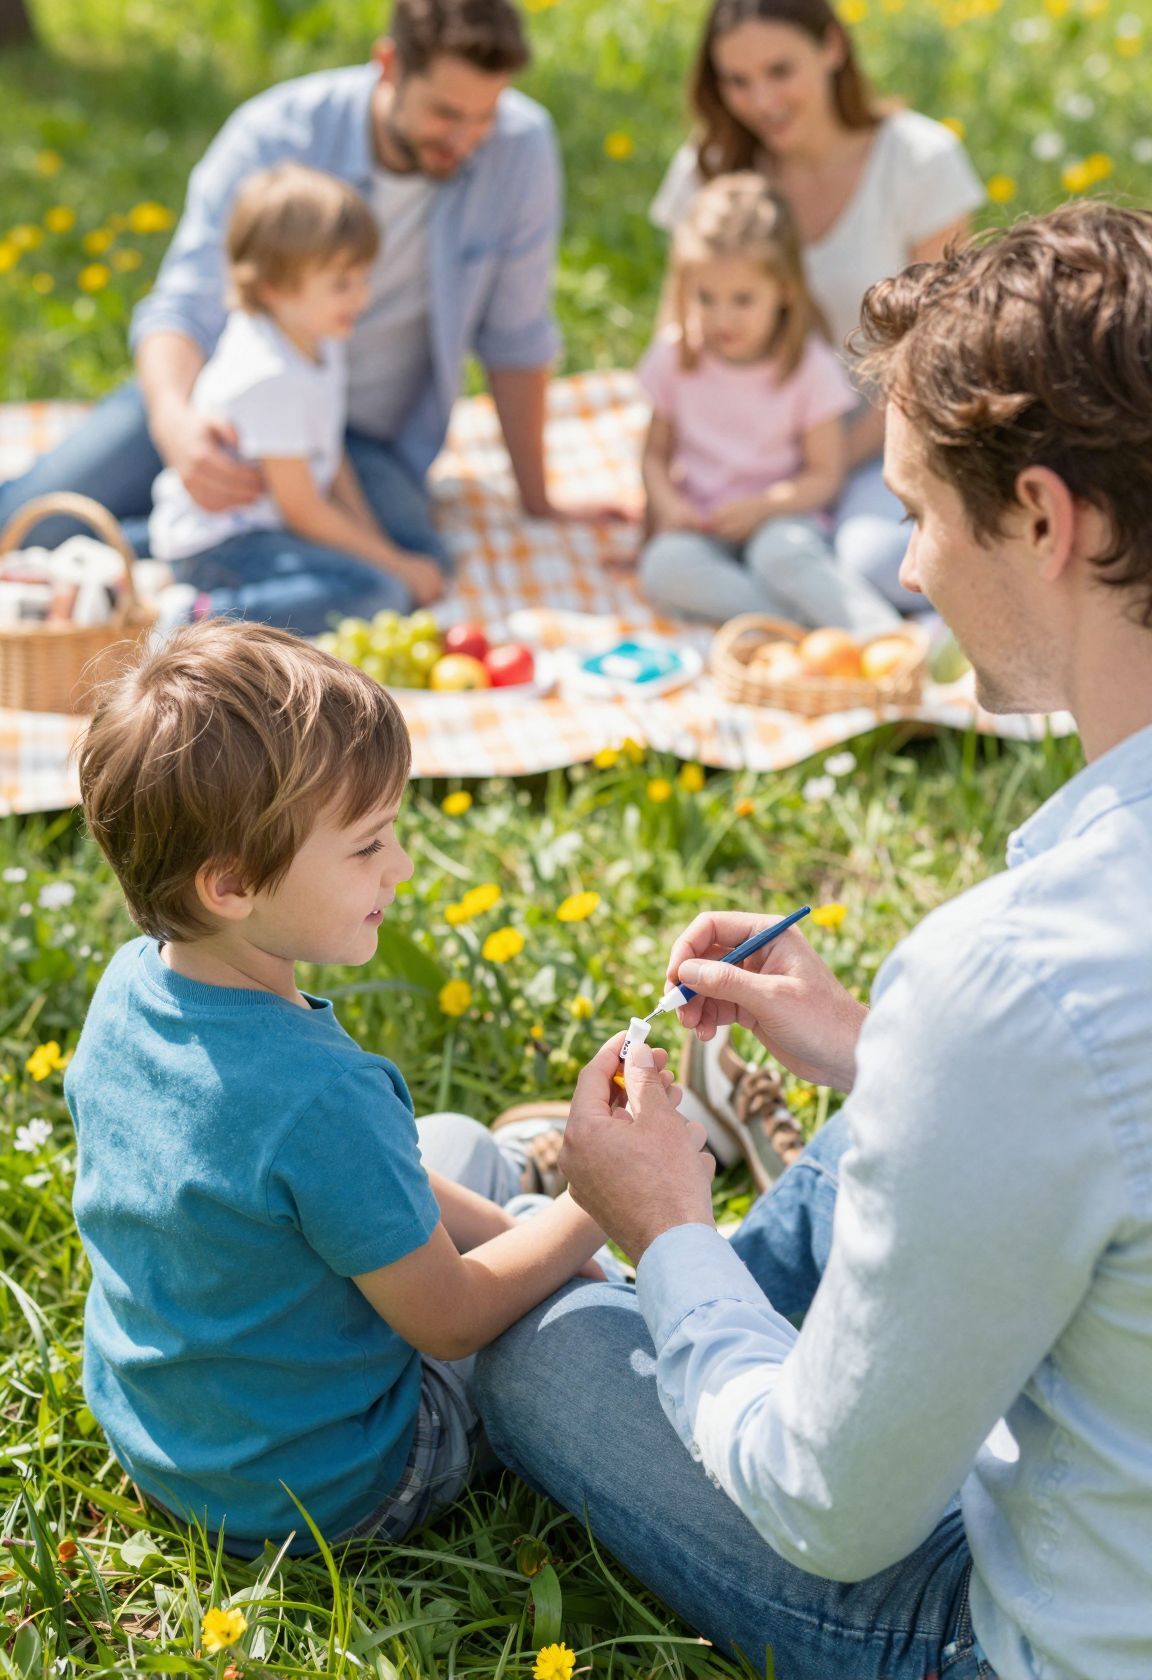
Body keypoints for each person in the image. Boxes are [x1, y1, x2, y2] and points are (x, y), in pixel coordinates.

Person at [475, 202, 1152, 1680]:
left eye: (916, 514)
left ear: (1043, 517)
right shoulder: (1038, 987)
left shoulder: (1024, 978)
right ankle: (681, 1242)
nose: (907, 573)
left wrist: (664, 1237)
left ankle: (593, 1237)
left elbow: (827, 1507)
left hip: (1037, 1631)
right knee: (899, 1120)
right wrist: (874, 1051)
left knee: (525, 1349)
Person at [64, 620, 651, 1555]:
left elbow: (361, 1183)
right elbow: (451, 1322)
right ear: (233, 883)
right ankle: (596, 1215)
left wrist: (527, 1235)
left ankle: (525, 1175)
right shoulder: (320, 1096)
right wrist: (595, 1208)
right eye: (369, 845)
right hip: (337, 1483)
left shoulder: (130, 990)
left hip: (185, 1447)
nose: (403, 868)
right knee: (561, 1323)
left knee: (448, 1143)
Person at [1, 0, 586, 554]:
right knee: (29, 522)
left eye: (485, 116)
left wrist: (540, 504)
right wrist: (177, 426)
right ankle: (128, 543)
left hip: (356, 446)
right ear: (388, 66)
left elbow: (517, 340)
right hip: (224, 407)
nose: (467, 139)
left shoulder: (520, 149)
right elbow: (184, 306)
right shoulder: (276, 135)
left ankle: (144, 550)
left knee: (404, 562)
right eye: (445, 115)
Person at [650, 0, 984, 612]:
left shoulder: (919, 161)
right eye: (737, 81)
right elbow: (678, 328)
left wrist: (816, 468)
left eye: (780, 71)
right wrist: (692, 476)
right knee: (681, 563)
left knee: (883, 566)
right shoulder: (710, 168)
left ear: (831, 46)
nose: (762, 101)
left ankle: (822, 592)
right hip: (743, 434)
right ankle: (797, 616)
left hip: (885, 430)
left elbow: (934, 358)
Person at [149, 163, 444, 635]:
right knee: (379, 593)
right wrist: (395, 567)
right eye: (342, 284)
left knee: (403, 565)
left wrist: (378, 543)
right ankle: (194, 620)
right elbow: (302, 510)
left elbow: (330, 453)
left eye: (363, 277)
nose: (361, 297)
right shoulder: (271, 375)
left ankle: (145, 558)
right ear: (274, 288)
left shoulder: (317, 333)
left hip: (264, 526)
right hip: (223, 548)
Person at [638, 172, 900, 634]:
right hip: (704, 523)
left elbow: (825, 474)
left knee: (781, 556)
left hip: (782, 519)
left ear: (783, 290)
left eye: (742, 299)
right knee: (663, 567)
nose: (723, 317)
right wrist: (667, 503)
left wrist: (764, 506)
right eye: (706, 297)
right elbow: (654, 455)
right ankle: (795, 625)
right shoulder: (675, 357)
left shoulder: (807, 367)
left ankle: (882, 637)